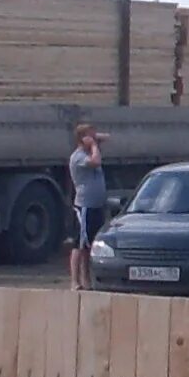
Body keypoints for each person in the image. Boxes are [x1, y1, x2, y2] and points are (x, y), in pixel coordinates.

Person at [68, 124, 108, 289]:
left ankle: (87, 280)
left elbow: (107, 137)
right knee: (79, 244)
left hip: (97, 205)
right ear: (81, 138)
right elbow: (96, 161)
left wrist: (94, 139)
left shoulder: (89, 151)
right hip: (85, 206)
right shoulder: (78, 157)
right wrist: (92, 144)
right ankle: (74, 281)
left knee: (90, 246)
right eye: (89, 135)